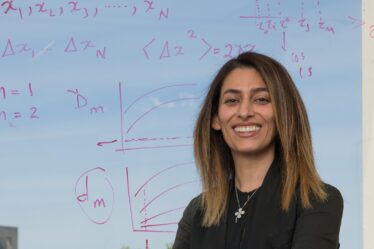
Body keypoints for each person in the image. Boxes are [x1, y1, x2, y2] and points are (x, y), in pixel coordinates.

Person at [172, 52, 343, 249]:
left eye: (261, 99)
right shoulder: (197, 212)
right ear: (216, 119)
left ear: (284, 113)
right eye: (232, 100)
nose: (245, 112)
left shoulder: (317, 202)